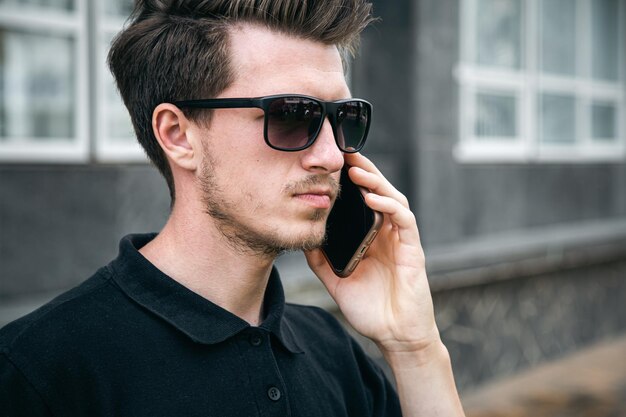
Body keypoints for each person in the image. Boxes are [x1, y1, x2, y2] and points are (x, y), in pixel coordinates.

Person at [0, 1, 465, 416]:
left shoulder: (332, 348)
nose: (330, 156)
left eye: (344, 119)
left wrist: (416, 349)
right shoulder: (38, 371)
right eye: (291, 116)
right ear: (179, 136)